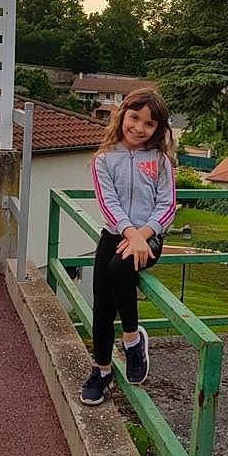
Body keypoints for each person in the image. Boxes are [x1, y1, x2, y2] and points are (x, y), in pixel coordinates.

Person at [80, 88, 176, 405]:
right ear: (122, 115)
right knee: (103, 309)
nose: (138, 127)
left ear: (158, 129)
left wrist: (142, 235)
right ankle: (102, 370)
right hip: (113, 235)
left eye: (149, 124)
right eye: (134, 118)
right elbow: (108, 205)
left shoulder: (161, 161)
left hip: (150, 236)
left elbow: (167, 204)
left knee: (120, 269)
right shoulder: (103, 160)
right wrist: (129, 233)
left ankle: (132, 339)